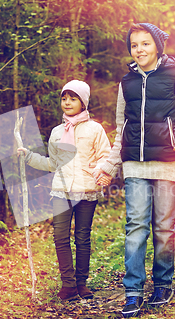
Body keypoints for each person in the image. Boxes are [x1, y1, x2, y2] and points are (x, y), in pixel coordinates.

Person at [93, 23, 175, 317]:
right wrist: (109, 165)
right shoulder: (127, 83)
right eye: (134, 45)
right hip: (134, 164)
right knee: (135, 228)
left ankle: (163, 283)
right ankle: (132, 292)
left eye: (145, 44)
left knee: (163, 228)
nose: (139, 50)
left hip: (168, 164)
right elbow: (122, 129)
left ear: (157, 46)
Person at [18, 80, 112, 301]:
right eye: (64, 98)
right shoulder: (57, 132)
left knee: (82, 237)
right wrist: (29, 157)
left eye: (73, 98)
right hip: (61, 190)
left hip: (86, 189)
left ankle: (81, 283)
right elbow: (53, 163)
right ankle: (68, 284)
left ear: (83, 102)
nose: (67, 103)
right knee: (60, 236)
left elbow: (105, 156)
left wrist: (100, 171)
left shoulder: (95, 129)